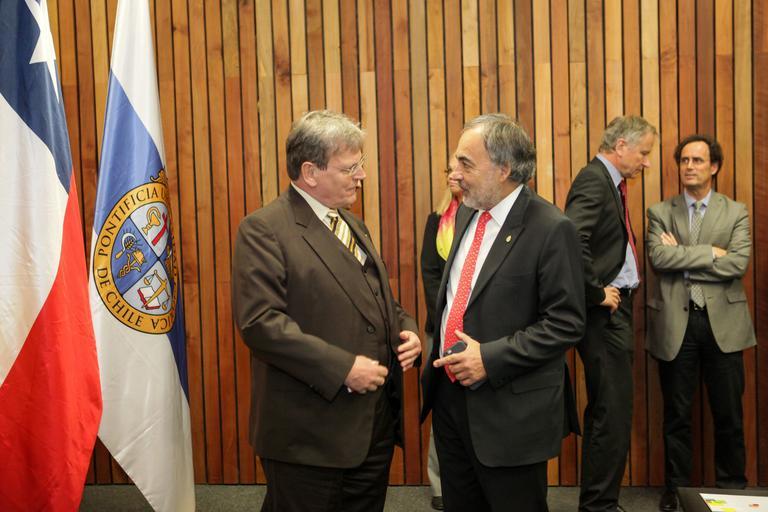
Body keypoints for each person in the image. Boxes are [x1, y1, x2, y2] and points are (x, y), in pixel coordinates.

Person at [231, 110, 422, 512]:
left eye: (360, 164)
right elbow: (260, 324)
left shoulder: (353, 225)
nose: (361, 175)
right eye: (350, 168)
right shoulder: (264, 229)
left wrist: (406, 327)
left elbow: (377, 299)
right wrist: (343, 368)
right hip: (309, 436)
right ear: (310, 172)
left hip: (370, 427)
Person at [420, 113, 585, 512]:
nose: (454, 175)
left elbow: (566, 322)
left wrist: (489, 359)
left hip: (509, 411)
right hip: (450, 399)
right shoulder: (465, 212)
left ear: (504, 168)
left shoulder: (551, 227)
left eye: (466, 164)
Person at [646, 134, 755, 512]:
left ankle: (733, 489)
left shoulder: (736, 211)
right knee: (676, 416)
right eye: (684, 160)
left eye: (697, 160)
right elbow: (660, 259)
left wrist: (683, 256)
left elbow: (737, 264)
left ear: (714, 167)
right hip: (677, 326)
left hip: (723, 325)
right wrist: (710, 252)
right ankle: (676, 492)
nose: (689, 167)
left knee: (729, 414)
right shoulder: (661, 212)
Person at [565, 115, 657, 512]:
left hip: (615, 310)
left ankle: (601, 502)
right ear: (621, 146)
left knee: (612, 408)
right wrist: (595, 291)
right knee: (611, 411)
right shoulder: (594, 179)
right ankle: (599, 506)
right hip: (604, 313)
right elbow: (572, 238)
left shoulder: (609, 181)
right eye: (644, 153)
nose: (646, 162)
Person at [420, 160, 462, 511]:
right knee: (443, 406)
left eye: (458, 167)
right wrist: (447, 318)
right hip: (441, 329)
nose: (452, 175)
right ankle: (440, 483)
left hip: (480, 332)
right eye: (447, 169)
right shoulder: (437, 220)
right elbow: (430, 273)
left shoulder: (485, 218)